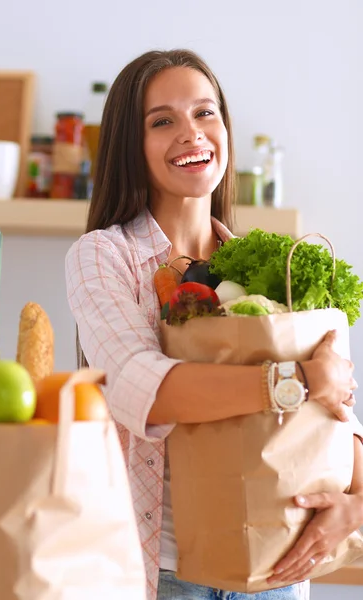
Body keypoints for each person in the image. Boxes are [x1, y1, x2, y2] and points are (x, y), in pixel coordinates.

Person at [65, 49, 363, 600]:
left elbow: (333, 411)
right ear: (131, 146)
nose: (191, 133)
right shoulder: (103, 256)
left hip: (276, 567)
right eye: (162, 121)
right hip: (166, 572)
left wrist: (356, 506)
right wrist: (291, 379)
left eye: (206, 113)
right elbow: (140, 387)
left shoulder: (271, 266)